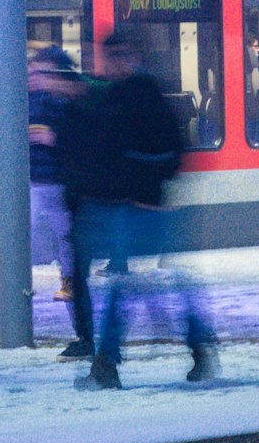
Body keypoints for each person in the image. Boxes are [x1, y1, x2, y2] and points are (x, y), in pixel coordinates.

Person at [73, 32, 215, 391]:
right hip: (144, 204)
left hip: (136, 206)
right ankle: (199, 348)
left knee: (128, 287)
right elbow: (175, 149)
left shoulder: (129, 97)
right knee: (166, 282)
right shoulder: (145, 94)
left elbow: (122, 152)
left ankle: (107, 363)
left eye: (116, 57)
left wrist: (131, 186)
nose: (112, 64)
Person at [28, 46, 84, 309]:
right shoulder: (32, 101)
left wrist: (53, 138)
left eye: (40, 72)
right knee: (29, 230)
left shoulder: (65, 102)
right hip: (38, 177)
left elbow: (76, 139)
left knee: (65, 235)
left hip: (58, 179)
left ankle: (70, 281)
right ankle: (16, 280)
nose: (35, 78)